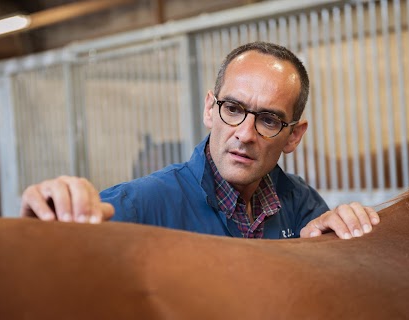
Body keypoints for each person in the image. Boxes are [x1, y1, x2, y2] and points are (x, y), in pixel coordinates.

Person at [20, 41, 379, 239]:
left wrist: (340, 233)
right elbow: (51, 251)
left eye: (268, 119)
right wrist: (50, 213)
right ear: (210, 109)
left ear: (293, 136)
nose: (245, 133)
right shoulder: (142, 204)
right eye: (233, 108)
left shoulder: (300, 204)